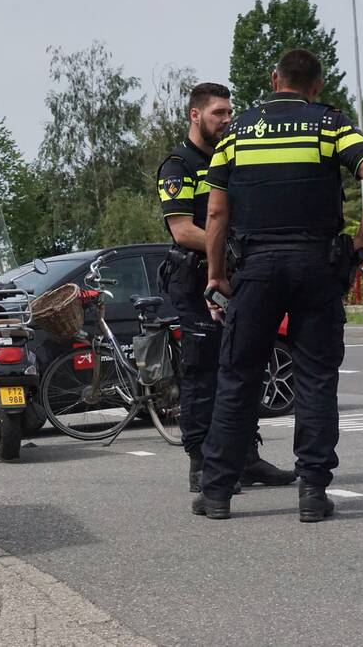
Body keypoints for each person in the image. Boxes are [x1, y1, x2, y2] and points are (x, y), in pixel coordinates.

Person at [194, 49, 363, 522]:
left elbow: (217, 213)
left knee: (238, 377)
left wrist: (216, 273)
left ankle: (218, 492)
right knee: (315, 378)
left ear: (274, 79)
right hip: (315, 267)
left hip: (256, 269)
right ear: (317, 86)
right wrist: (362, 246)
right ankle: (312, 491)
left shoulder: (237, 131)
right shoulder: (329, 124)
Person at [156, 82, 295, 493]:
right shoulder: (177, 166)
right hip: (196, 280)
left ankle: (245, 456)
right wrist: (231, 249)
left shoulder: (233, 157)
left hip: (237, 278)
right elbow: (182, 231)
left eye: (230, 112)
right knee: (202, 372)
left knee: (245, 365)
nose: (227, 119)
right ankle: (201, 462)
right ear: (195, 115)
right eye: (219, 112)